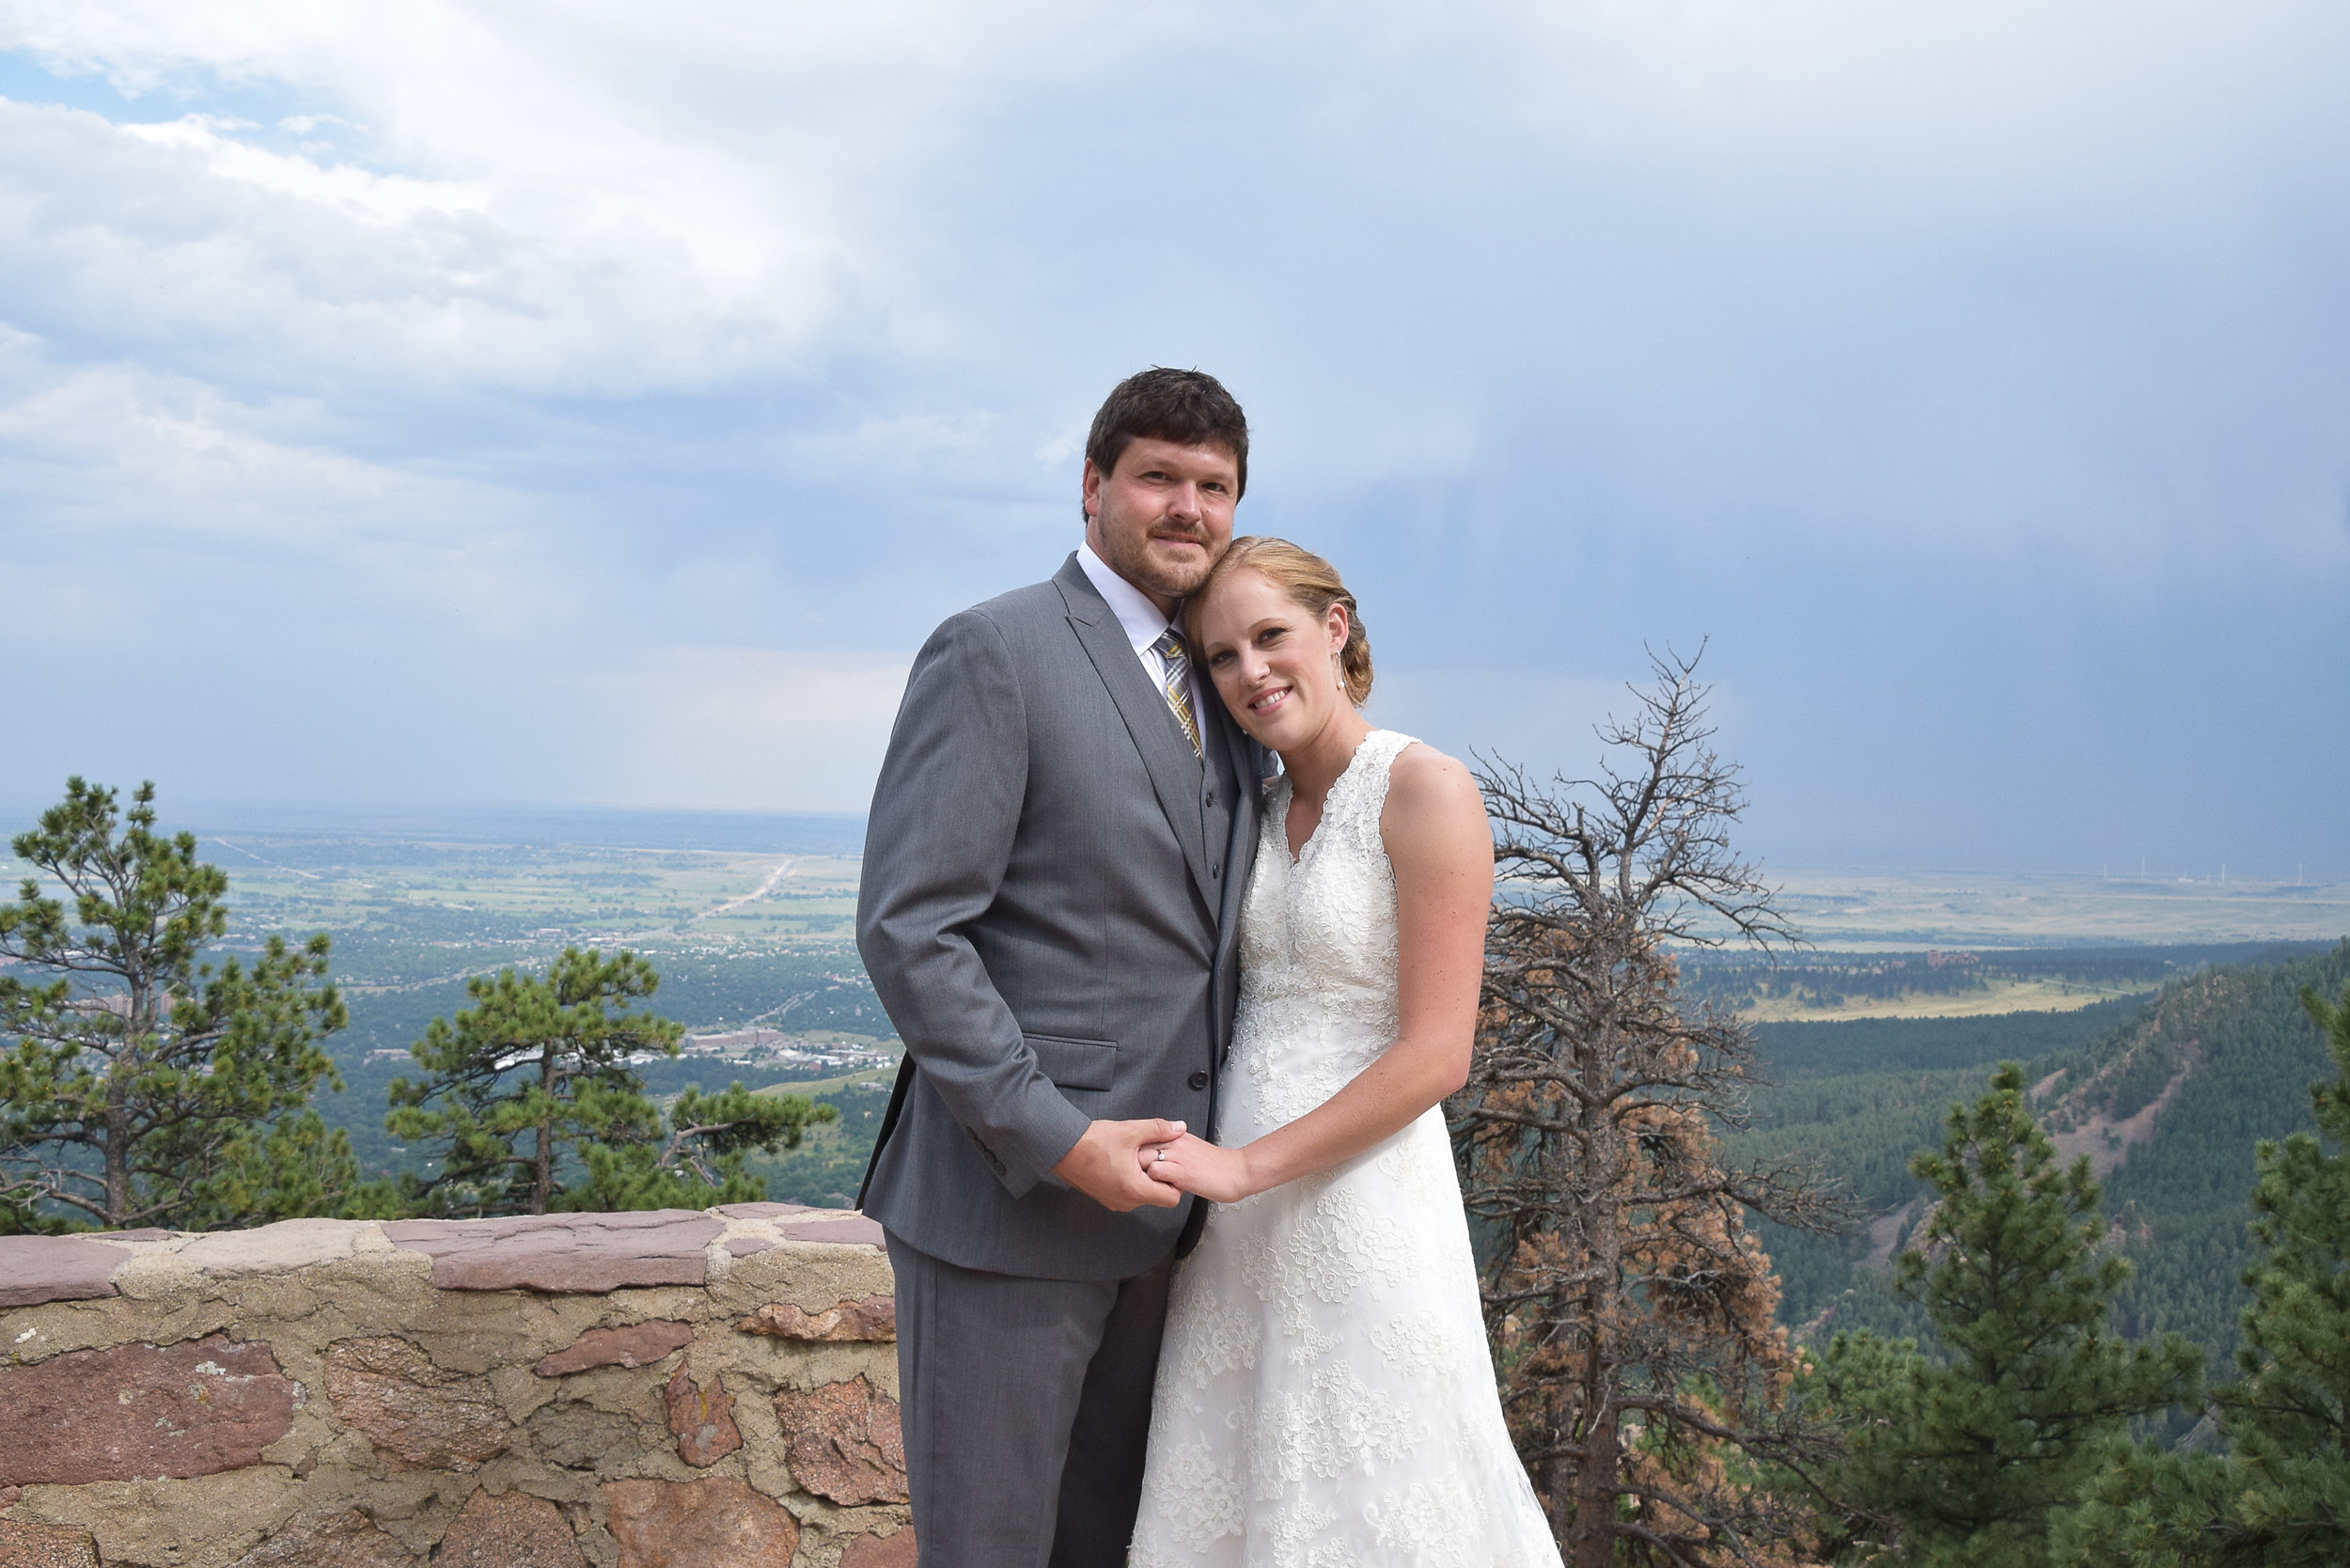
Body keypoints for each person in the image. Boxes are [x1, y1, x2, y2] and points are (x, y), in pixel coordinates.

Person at [855, 368, 1268, 1567]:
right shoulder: (994, 651)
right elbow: (910, 928)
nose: (1187, 507)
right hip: (1009, 1219)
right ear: (1093, 488)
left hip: (1167, 1231)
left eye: (1214, 486)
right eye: (1158, 478)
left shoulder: (1225, 677)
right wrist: (1056, 1137)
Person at [1127, 538, 1564, 1566]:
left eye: (1270, 636)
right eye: (1220, 657)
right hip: (1236, 1235)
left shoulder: (1423, 788)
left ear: (1336, 628)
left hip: (1358, 1204)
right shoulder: (1257, 808)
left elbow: (1435, 1056)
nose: (1249, 673)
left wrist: (1242, 1168)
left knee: (1383, 1490)